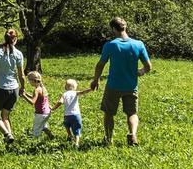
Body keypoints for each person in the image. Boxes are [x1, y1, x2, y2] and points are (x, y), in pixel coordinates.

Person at [90, 17, 152, 146]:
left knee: (108, 113)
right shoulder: (138, 44)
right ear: (125, 27)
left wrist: (96, 80)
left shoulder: (111, 45)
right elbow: (148, 67)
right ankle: (133, 134)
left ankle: (108, 139)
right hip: (131, 86)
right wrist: (140, 72)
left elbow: (100, 65)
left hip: (113, 86)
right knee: (132, 113)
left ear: (113, 29)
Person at [0, 28, 25, 144]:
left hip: (0, 88)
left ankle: (7, 134)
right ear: (16, 39)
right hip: (14, 89)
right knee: (5, 116)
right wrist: (22, 88)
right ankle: (10, 140)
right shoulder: (19, 54)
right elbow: (21, 75)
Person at [52, 78, 92, 147]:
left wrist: (53, 108)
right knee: (77, 129)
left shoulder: (64, 94)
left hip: (67, 115)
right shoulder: (75, 92)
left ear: (65, 87)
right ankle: (76, 142)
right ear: (75, 87)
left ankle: (69, 135)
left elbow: (60, 102)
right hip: (76, 115)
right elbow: (83, 92)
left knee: (67, 125)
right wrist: (91, 89)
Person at [22, 71, 54, 139]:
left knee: (36, 129)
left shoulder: (36, 90)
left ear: (33, 81)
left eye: (29, 81)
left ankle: (34, 142)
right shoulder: (42, 88)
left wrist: (24, 96)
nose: (29, 82)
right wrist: (27, 94)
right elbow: (37, 98)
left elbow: (33, 102)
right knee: (43, 126)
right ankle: (51, 136)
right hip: (47, 112)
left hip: (40, 114)